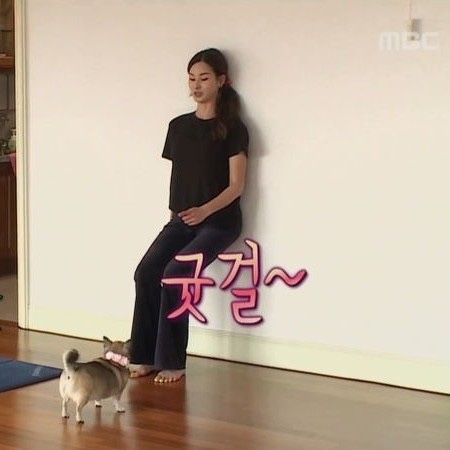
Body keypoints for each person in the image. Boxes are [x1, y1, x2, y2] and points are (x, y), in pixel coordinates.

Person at [129, 48, 249, 383]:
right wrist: (176, 218)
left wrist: (205, 211)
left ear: (221, 81)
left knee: (175, 273)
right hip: (182, 221)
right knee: (146, 272)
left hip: (219, 223)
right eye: (192, 79)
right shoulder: (178, 126)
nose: (196, 85)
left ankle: (173, 362)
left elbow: (237, 186)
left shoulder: (233, 128)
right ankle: (143, 355)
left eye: (204, 78)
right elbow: (180, 177)